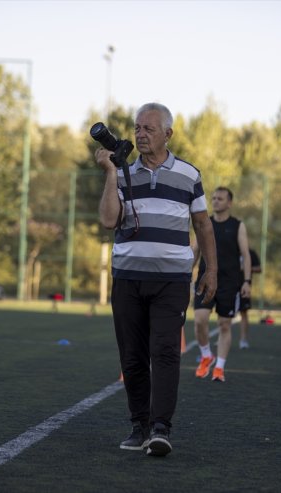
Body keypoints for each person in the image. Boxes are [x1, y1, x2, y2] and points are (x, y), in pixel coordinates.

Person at [95, 102, 217, 457]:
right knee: (132, 356)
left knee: (164, 351)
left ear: (168, 134)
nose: (140, 134)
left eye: (148, 129)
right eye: (136, 128)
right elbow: (107, 220)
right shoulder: (122, 173)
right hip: (128, 279)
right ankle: (140, 426)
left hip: (172, 281)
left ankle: (161, 428)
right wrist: (110, 172)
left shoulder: (189, 175)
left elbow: (203, 225)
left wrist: (211, 270)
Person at [193, 187, 252, 382]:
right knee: (200, 320)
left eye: (220, 199)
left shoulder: (238, 225)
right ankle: (206, 355)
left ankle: (219, 368)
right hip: (204, 280)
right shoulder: (204, 223)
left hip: (229, 282)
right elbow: (194, 251)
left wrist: (247, 281)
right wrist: (185, 274)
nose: (216, 201)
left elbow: (245, 255)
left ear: (229, 203)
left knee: (224, 324)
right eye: (214, 198)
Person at [238, 248, 261, 349]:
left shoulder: (250, 252)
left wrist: (247, 268)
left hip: (244, 286)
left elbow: (259, 268)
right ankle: (222, 338)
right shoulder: (231, 250)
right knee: (224, 314)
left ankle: (243, 340)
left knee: (244, 312)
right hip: (229, 285)